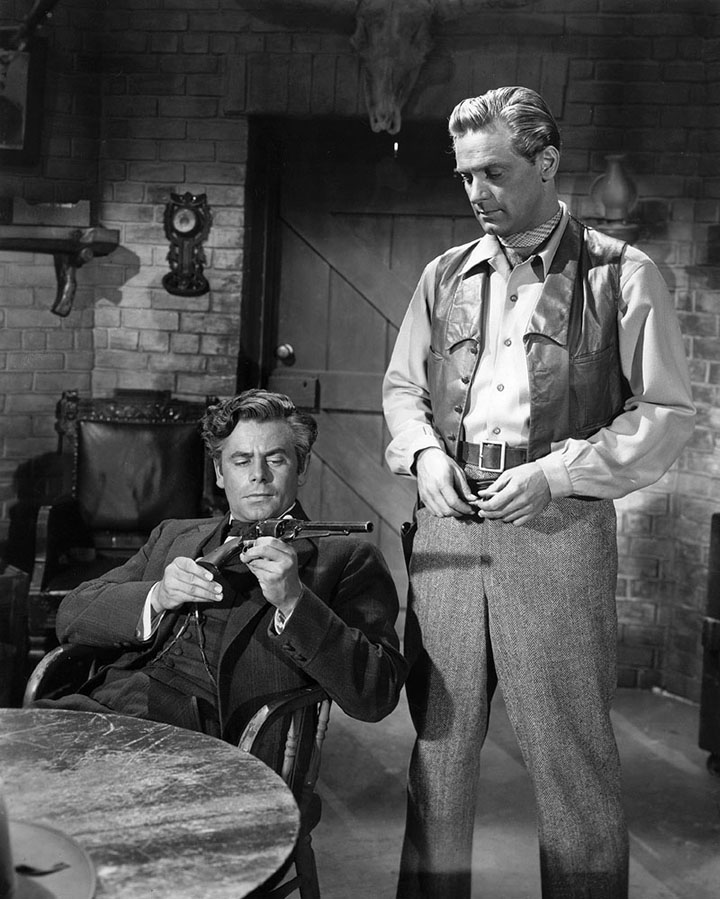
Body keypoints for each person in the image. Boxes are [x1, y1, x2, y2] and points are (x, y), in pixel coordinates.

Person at [382, 86, 695, 898]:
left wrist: (557, 473)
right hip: (448, 528)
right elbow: (403, 388)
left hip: (558, 525)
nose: (476, 191)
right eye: (465, 175)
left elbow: (665, 413)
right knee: (438, 754)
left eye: (493, 172)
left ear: (546, 162)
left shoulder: (622, 274)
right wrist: (423, 454)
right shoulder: (443, 274)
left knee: (572, 760)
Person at [40, 389, 407, 749]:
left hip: (206, 746)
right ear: (219, 471)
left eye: (275, 459)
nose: (258, 475)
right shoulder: (174, 535)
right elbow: (71, 615)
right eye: (242, 461)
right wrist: (157, 597)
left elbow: (377, 695)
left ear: (302, 467)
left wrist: (294, 602)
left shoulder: (346, 558)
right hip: (100, 709)